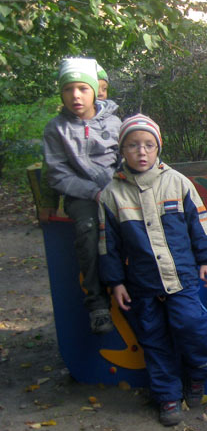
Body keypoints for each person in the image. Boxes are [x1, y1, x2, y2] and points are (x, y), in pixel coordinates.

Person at [98, 114, 207, 426]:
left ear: (158, 149)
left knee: (191, 326)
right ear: (122, 150)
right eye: (133, 145)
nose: (141, 151)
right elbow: (107, 244)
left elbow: (200, 223)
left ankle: (197, 374)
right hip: (142, 282)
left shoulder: (177, 183)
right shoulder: (112, 194)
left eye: (148, 145)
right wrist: (116, 282)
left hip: (181, 276)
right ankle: (167, 395)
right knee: (153, 338)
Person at [42, 57, 121, 334]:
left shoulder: (114, 123)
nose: (75, 95)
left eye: (83, 88)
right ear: (61, 93)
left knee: (138, 227)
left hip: (116, 192)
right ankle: (97, 304)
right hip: (81, 197)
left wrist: (119, 189)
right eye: (68, 89)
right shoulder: (56, 129)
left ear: (95, 91)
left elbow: (125, 160)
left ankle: (141, 289)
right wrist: (93, 193)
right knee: (88, 230)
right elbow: (57, 173)